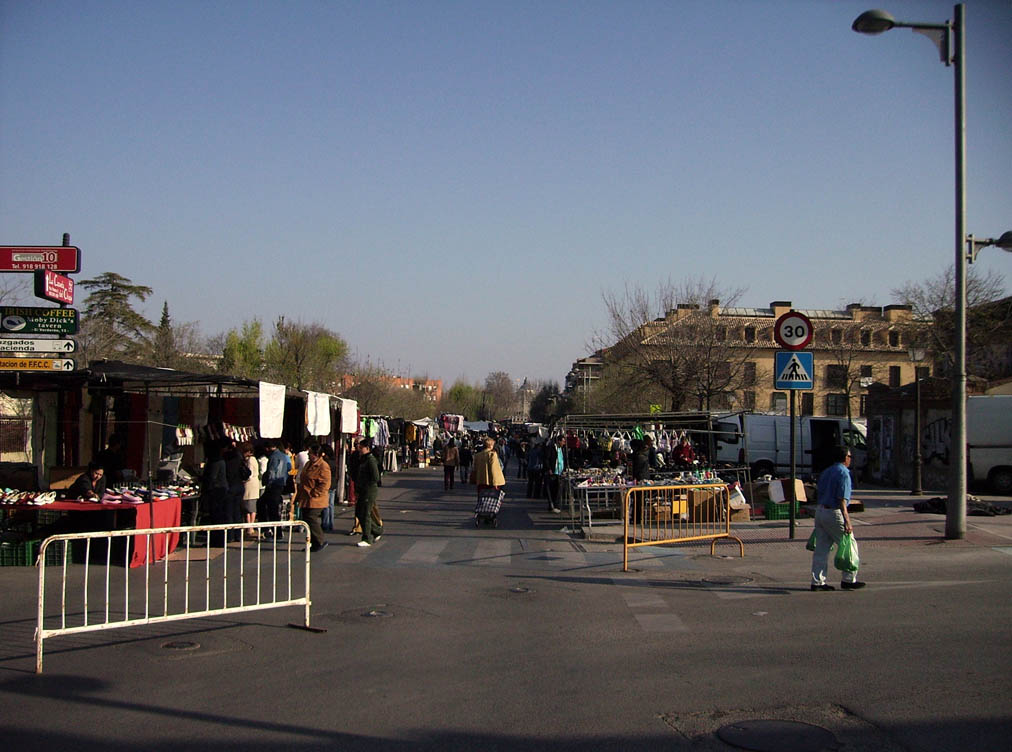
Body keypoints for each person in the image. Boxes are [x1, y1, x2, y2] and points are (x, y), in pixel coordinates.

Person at [811, 446, 866, 591]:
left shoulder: (826, 472)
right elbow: (842, 499)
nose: (850, 459)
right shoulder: (843, 473)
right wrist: (847, 520)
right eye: (849, 456)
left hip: (821, 510)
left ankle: (817, 581)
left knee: (822, 549)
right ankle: (849, 578)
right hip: (834, 512)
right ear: (845, 458)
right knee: (849, 543)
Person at [295, 444, 332, 553]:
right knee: (306, 519)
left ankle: (320, 541)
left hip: (316, 499)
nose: (308, 455)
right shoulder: (308, 464)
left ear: (316, 454)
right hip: (305, 496)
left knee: (311, 518)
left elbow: (325, 483)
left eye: (310, 453)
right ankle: (313, 542)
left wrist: (314, 492)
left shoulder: (323, 466)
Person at [259, 440, 292, 541]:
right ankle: (274, 531)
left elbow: (272, 472)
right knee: (270, 507)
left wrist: (267, 482)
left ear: (268, 449)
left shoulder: (273, 457)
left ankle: (273, 532)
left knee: (268, 507)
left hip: (273, 485)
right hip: (281, 484)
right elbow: (288, 469)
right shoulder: (283, 456)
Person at [354, 439, 383, 547]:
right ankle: (376, 530)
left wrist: (366, 483)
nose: (359, 449)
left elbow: (375, 477)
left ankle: (367, 538)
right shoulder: (363, 459)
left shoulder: (370, 460)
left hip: (369, 490)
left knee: (365, 513)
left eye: (361, 447)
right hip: (362, 490)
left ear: (367, 448)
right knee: (359, 513)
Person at [240, 443, 261, 539]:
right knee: (251, 506)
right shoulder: (254, 460)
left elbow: (250, 474)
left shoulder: (250, 461)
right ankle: (249, 526)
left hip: (250, 485)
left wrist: (243, 480)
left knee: (249, 506)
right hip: (254, 485)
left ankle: (250, 526)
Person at [542, 436, 565, 513]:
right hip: (552, 472)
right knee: (551, 489)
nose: (564, 443)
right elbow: (546, 459)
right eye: (563, 441)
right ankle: (552, 505)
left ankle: (555, 505)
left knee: (557, 489)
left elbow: (562, 459)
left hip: (559, 472)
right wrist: (549, 469)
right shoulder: (551, 448)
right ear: (558, 441)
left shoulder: (561, 449)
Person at [321, 444, 338, 532]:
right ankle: (330, 523)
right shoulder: (333, 461)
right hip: (333, 484)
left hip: (327, 484)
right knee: (331, 505)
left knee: (326, 505)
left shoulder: (325, 462)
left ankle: (325, 524)